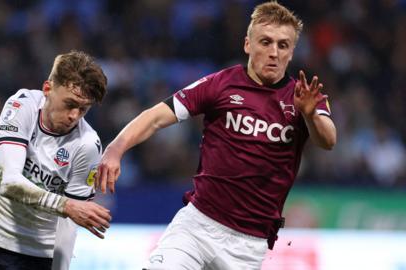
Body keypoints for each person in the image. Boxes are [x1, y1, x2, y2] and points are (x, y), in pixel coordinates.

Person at [98, 1, 336, 269]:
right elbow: (155, 117)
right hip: (197, 226)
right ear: (248, 44)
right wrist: (115, 149)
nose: (273, 52)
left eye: (282, 45)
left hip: (248, 245)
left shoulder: (304, 97)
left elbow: (327, 140)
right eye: (265, 42)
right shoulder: (221, 85)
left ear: (292, 52)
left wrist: (310, 114)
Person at [0, 51, 112, 270]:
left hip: (38, 256)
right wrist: (66, 205)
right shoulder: (21, 106)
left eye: (83, 109)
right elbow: (9, 182)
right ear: (47, 89)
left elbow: (68, 224)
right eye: (69, 103)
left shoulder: (88, 144)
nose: (74, 115)